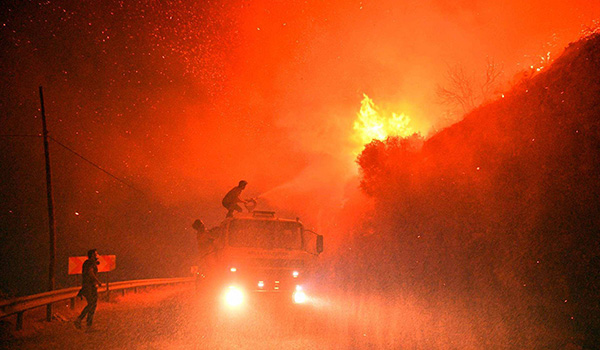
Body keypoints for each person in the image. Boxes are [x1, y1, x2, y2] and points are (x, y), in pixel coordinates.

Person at [74, 249, 103, 330]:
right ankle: (79, 319)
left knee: (93, 304)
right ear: (92, 255)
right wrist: (98, 282)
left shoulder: (91, 263)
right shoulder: (89, 263)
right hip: (88, 286)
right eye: (96, 254)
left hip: (92, 286)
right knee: (91, 304)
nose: (97, 255)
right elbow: (90, 273)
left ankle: (88, 324)